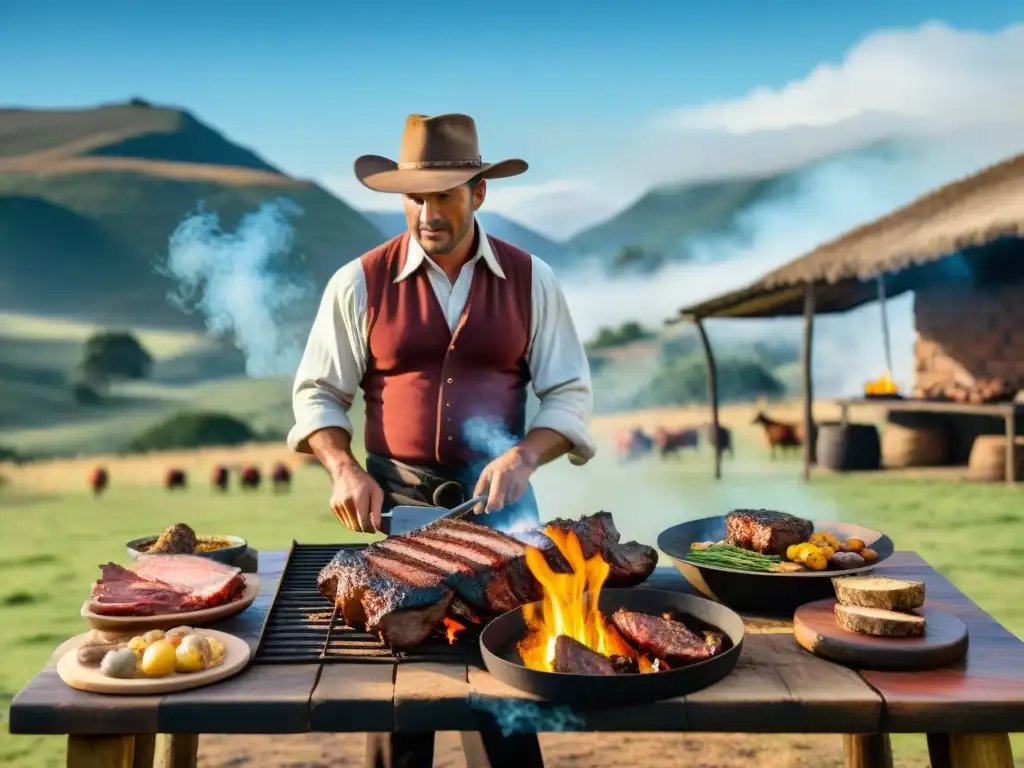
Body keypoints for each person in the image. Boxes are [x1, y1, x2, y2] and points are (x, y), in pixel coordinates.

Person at [287, 112, 595, 534]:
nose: (427, 215)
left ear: (479, 193)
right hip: (395, 511)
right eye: (415, 198)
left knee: (514, 603)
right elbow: (318, 392)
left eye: (445, 196)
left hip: (504, 512)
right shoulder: (357, 282)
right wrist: (343, 468)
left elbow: (569, 393)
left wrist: (523, 456)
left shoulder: (533, 278)